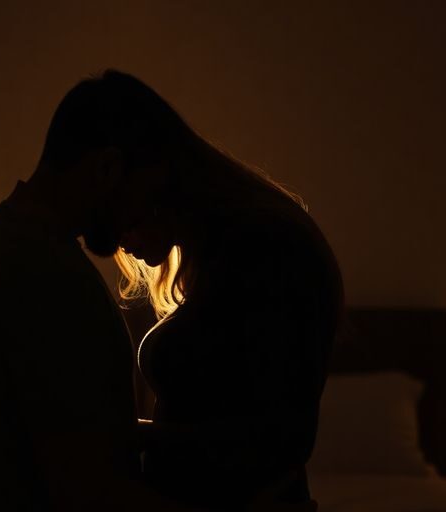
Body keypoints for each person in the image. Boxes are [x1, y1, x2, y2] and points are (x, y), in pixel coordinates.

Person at [0, 69, 320, 511]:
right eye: (149, 190)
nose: (142, 215)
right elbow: (89, 489)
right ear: (108, 168)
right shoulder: (43, 272)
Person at [113, 78, 345, 508]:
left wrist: (129, 435)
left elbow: (266, 438)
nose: (113, 239)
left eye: (117, 210)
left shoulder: (265, 248)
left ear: (151, 179)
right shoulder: (221, 251)